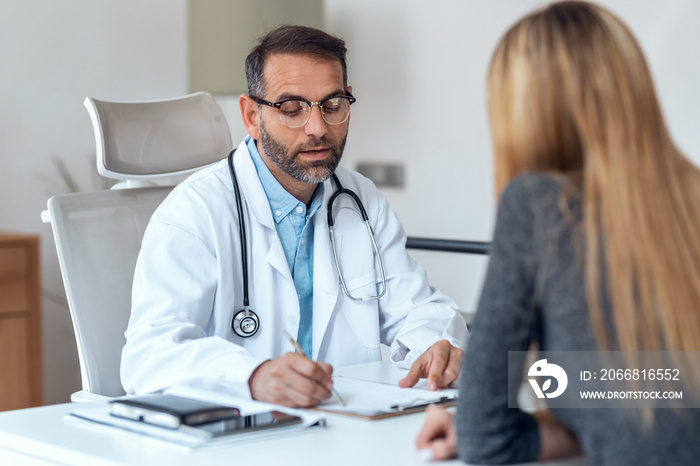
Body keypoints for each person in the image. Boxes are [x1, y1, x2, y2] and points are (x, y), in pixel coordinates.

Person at [121, 25, 468, 408]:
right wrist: (251, 377)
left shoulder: (360, 199)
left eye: (332, 105)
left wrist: (437, 343)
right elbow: (149, 355)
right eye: (291, 109)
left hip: (346, 426)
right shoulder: (195, 212)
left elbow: (419, 309)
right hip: (239, 435)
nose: (317, 128)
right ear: (252, 116)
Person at [416, 1, 700, 464]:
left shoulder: (538, 205)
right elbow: (651, 397)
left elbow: (486, 436)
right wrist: (544, 427)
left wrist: (486, 424)